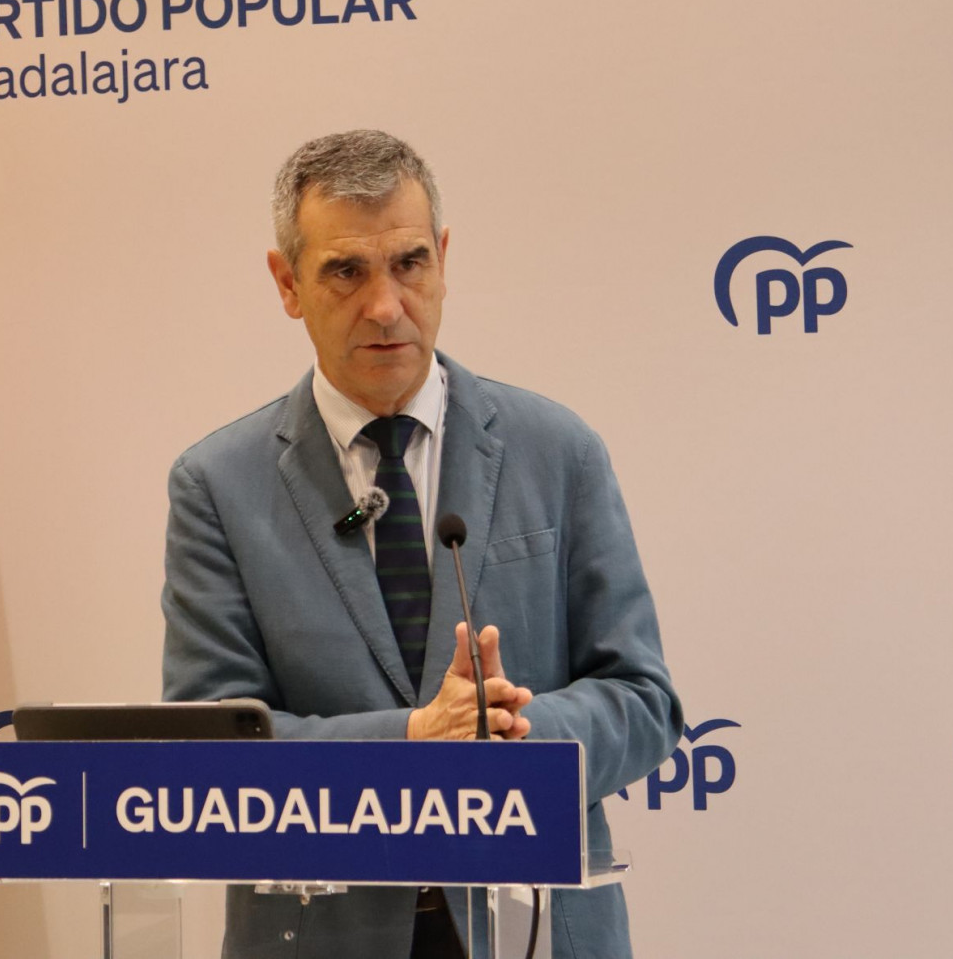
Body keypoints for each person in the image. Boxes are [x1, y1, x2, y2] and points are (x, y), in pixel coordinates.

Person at [161, 130, 683, 958]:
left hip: (537, 927)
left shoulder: (559, 450)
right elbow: (216, 745)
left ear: (442, 258)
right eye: (345, 271)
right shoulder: (218, 486)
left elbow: (646, 701)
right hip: (320, 934)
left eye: (409, 263)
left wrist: (514, 736)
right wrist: (411, 743)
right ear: (287, 283)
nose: (384, 304)